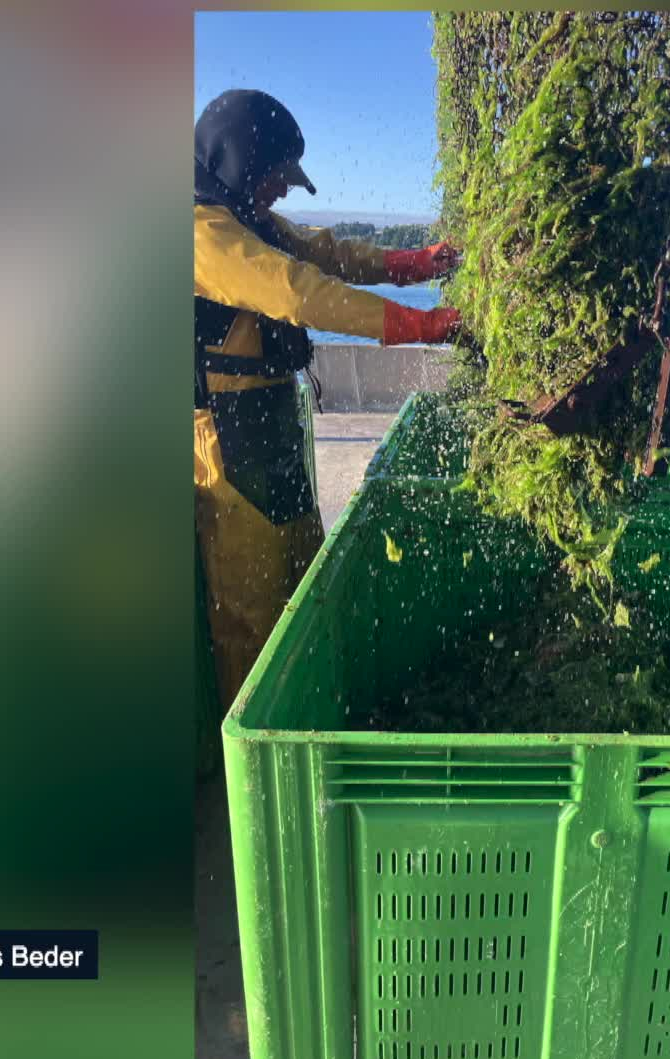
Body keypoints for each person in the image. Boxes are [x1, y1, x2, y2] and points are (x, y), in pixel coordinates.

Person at [193, 88, 461, 709]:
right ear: (240, 163)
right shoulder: (204, 233)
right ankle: (251, 766)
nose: (284, 191)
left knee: (301, 581)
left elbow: (330, 254)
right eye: (277, 177)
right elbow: (298, 291)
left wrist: (416, 263)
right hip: (222, 437)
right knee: (250, 612)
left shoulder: (251, 221)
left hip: (276, 421)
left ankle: (310, 713)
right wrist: (419, 326)